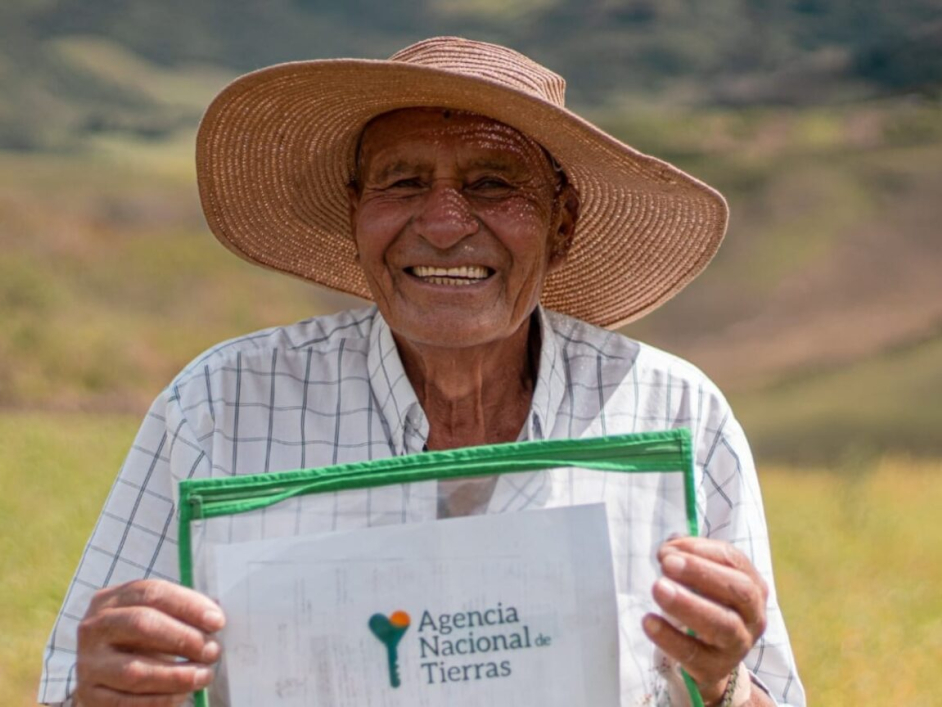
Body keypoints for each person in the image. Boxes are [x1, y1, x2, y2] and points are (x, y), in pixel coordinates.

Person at [39, 37, 805, 707]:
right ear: (355, 215)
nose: (442, 223)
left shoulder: (675, 413)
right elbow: (78, 688)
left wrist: (725, 683)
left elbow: (761, 697)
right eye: (403, 183)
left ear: (561, 225)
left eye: (493, 183)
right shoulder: (220, 404)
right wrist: (104, 691)